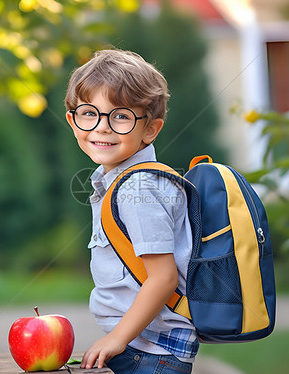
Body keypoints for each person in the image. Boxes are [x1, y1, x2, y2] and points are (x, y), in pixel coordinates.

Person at [64, 49, 198, 374]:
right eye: (88, 113)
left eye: (121, 116)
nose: (102, 127)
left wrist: (117, 339)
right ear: (72, 120)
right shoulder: (117, 182)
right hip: (144, 347)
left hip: (152, 353)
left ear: (150, 130)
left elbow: (163, 278)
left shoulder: (139, 188)